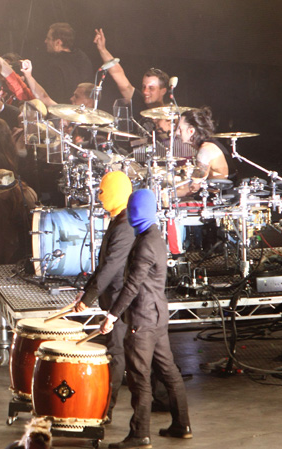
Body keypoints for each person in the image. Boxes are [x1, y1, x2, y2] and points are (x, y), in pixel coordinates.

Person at [100, 189, 192, 449]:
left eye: (131, 208)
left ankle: (140, 434)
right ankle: (181, 424)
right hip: (158, 316)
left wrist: (112, 315)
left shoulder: (143, 243)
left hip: (142, 320)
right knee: (168, 371)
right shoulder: (154, 237)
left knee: (139, 377)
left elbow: (131, 285)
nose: (129, 213)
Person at [57, 170, 134, 423]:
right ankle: (162, 398)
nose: (99, 196)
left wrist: (88, 298)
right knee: (126, 351)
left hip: (120, 299)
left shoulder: (125, 226)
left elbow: (111, 267)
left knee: (116, 352)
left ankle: (105, 410)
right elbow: (103, 266)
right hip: (114, 295)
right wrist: (86, 291)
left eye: (102, 191)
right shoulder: (118, 219)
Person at [176, 106, 231, 197]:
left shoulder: (205, 150)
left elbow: (194, 187)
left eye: (180, 129)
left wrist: (167, 195)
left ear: (191, 131)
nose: (176, 133)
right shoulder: (209, 145)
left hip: (217, 200)